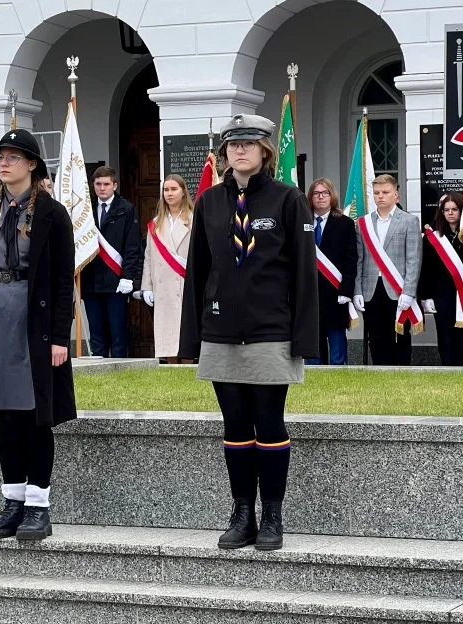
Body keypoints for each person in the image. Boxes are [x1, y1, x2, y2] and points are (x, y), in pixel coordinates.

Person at [178, 113, 318, 552]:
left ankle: (273, 514)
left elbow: (303, 273)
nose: (239, 150)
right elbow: (198, 272)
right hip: (221, 331)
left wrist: (303, 338)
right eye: (232, 144)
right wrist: (191, 338)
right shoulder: (210, 203)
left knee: (269, 423)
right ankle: (243, 512)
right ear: (224, 153)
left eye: (249, 143)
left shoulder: (288, 200)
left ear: (265, 150)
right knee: (235, 425)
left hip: (270, 331)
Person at [0, 129, 76, 543]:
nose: (4, 163)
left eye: (13, 157)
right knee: (7, 415)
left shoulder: (52, 214)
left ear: (33, 165)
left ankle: (38, 505)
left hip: (35, 321)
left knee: (35, 415)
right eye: (0, 158)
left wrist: (61, 335)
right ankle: (12, 503)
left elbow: (63, 280)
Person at [353, 174, 423, 365]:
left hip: (398, 288)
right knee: (375, 335)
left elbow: (413, 260)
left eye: (385, 192)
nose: (380, 196)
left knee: (399, 333)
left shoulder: (409, 221)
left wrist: (409, 292)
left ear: (396, 195)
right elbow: (359, 259)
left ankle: (401, 371)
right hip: (370, 288)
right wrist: (357, 290)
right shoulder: (363, 223)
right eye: (376, 193)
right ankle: (379, 371)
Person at [80, 166, 142, 357]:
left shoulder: (126, 209)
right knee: (96, 333)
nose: (102, 188)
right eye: (98, 184)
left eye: (106, 184)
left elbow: (132, 247)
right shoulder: (85, 211)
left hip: (116, 282)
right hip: (91, 281)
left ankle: (120, 371)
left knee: (118, 334)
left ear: (114, 185)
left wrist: (128, 277)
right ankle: (98, 370)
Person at [141, 174, 193, 364]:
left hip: (185, 282)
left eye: (173, 189)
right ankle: (171, 365)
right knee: (168, 334)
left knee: (185, 331)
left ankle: (187, 365)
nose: (169, 194)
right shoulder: (156, 223)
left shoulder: (194, 219)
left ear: (183, 192)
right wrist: (146, 286)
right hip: (163, 287)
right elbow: (149, 256)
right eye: (166, 190)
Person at [307, 178, 358, 365]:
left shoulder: (344, 223)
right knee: (313, 340)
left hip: (335, 290)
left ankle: (339, 372)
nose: (320, 197)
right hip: (310, 292)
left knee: (336, 338)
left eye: (325, 193)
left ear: (332, 196)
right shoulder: (302, 221)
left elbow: (351, 259)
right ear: (311, 197)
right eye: (316, 193)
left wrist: (347, 290)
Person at [419, 192, 463, 365]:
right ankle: (448, 368)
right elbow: (426, 269)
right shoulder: (432, 238)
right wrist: (426, 295)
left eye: (455, 209)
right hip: (442, 294)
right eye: (447, 210)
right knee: (446, 335)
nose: (450, 213)